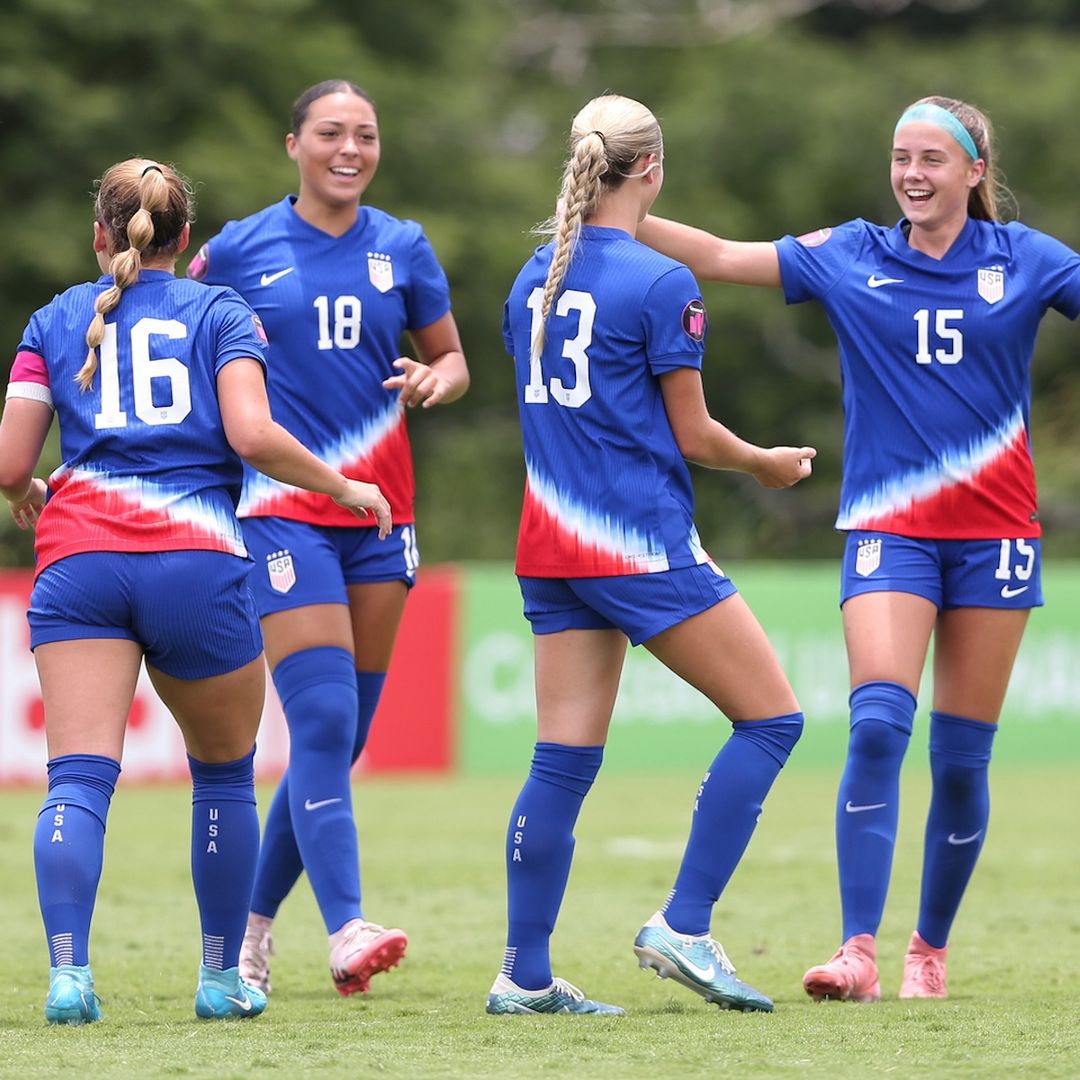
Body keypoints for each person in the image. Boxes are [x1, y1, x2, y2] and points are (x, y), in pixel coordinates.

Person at [638, 95, 1080, 1001]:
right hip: (891, 531)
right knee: (878, 724)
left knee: (961, 760)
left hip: (996, 538)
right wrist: (611, 211)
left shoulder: (1026, 261)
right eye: (899, 158)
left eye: (931, 159)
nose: (912, 175)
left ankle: (930, 950)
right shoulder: (851, 254)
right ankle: (858, 953)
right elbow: (721, 257)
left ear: (973, 172)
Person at [0, 159, 391, 1025]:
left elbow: (9, 466)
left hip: (80, 567)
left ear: (100, 235)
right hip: (198, 566)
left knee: (76, 781)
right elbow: (253, 435)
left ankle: (69, 975)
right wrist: (342, 487)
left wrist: (25, 491)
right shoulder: (222, 311)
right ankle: (221, 978)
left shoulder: (53, 319)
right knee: (222, 778)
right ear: (185, 239)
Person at [488, 94, 815, 1017]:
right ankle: (685, 923)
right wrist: (765, 462)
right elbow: (696, 434)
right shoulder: (661, 281)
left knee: (559, 763)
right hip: (636, 544)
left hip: (550, 545)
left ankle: (524, 975)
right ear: (653, 170)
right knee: (773, 720)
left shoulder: (529, 279)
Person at [187, 79, 469, 998]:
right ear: (293, 145)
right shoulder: (238, 247)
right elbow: (181, 345)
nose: (351, 149)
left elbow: (455, 358)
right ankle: (347, 926)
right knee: (319, 722)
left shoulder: (405, 245)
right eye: (332, 134)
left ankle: (252, 931)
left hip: (381, 520)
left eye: (366, 135)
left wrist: (439, 379)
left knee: (336, 742)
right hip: (284, 512)